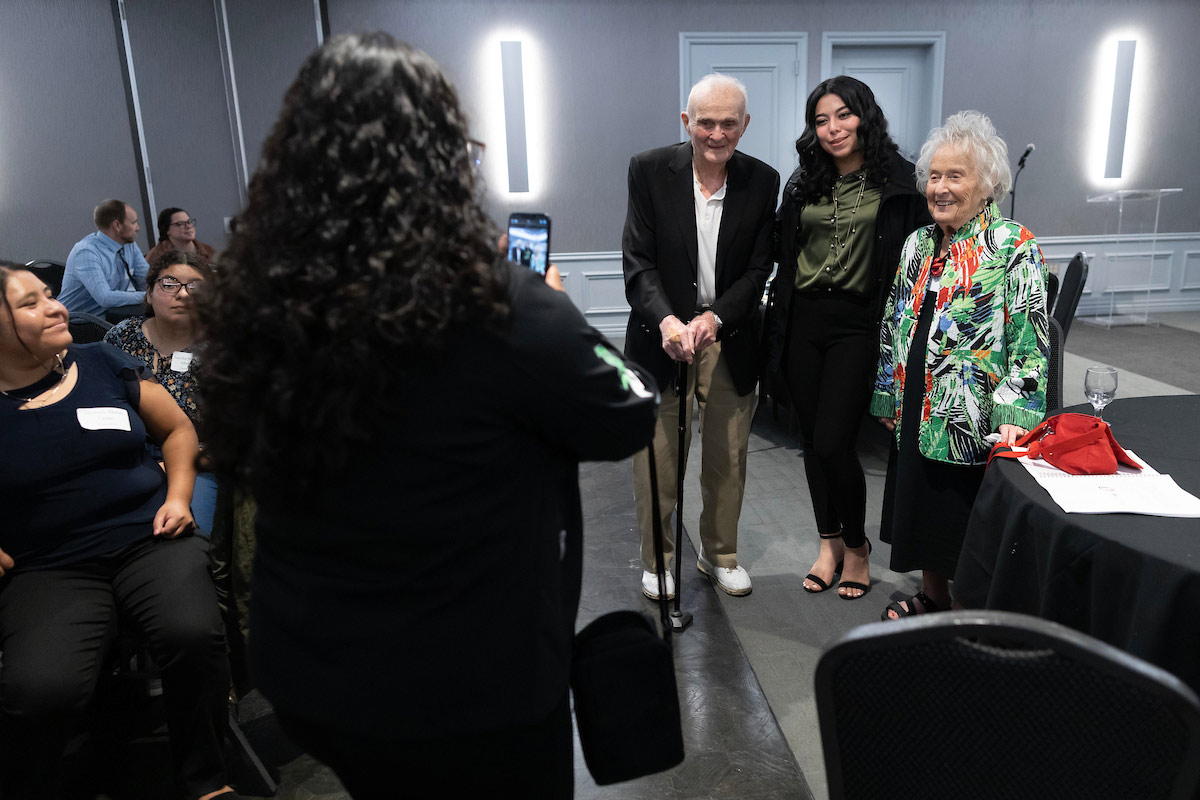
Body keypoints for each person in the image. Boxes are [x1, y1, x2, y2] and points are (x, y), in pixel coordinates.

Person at [196, 33, 657, 799]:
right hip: (470, 685)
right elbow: (626, 413)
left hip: (312, 669)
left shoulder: (254, 296)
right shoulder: (501, 305)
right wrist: (560, 310)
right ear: (442, 162)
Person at [0, 263, 240, 800]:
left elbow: (178, 428)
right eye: (30, 304)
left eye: (49, 295)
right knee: (41, 689)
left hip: (147, 538)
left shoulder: (100, 360)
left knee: (193, 636)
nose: (58, 306)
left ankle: (206, 779)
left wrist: (178, 496)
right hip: (49, 564)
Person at [870, 111, 1049, 619]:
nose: (940, 188)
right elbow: (893, 321)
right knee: (924, 510)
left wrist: (1014, 412)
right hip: (918, 403)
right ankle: (933, 598)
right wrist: (888, 391)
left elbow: (1031, 339)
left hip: (975, 414)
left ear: (987, 182)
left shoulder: (1013, 244)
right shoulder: (917, 244)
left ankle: (971, 615)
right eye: (933, 175)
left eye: (956, 175)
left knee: (965, 520)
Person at [764, 76, 932, 600]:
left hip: (860, 323)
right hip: (803, 321)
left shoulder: (901, 183)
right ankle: (828, 542)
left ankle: (857, 548)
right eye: (821, 120)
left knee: (837, 441)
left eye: (843, 115)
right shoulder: (804, 181)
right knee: (813, 440)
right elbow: (781, 251)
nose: (832, 129)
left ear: (864, 116)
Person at [623, 73, 779, 599]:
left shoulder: (763, 181)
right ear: (686, 122)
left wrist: (713, 319)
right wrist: (669, 321)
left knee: (728, 457)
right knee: (658, 458)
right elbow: (637, 263)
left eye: (728, 123)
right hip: (659, 334)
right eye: (705, 122)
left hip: (728, 335)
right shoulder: (648, 170)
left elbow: (758, 271)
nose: (717, 133)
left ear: (745, 125)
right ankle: (658, 560)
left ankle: (720, 555)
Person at [104, 250, 217, 533]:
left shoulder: (223, 345)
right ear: (149, 292)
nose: (183, 295)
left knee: (188, 535)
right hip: (128, 460)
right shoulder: (121, 337)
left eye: (196, 287)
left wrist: (174, 463)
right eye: (169, 284)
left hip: (200, 462)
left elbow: (238, 437)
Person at [59, 198, 150, 318]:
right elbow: (105, 298)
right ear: (117, 225)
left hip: (109, 316)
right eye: (133, 223)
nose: (137, 228)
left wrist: (162, 290)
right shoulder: (86, 251)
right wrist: (150, 296)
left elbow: (147, 278)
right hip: (81, 324)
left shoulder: (129, 245)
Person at [146, 207, 218, 268]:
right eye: (180, 224)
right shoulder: (155, 256)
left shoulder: (209, 251)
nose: (188, 226)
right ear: (167, 230)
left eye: (189, 222)